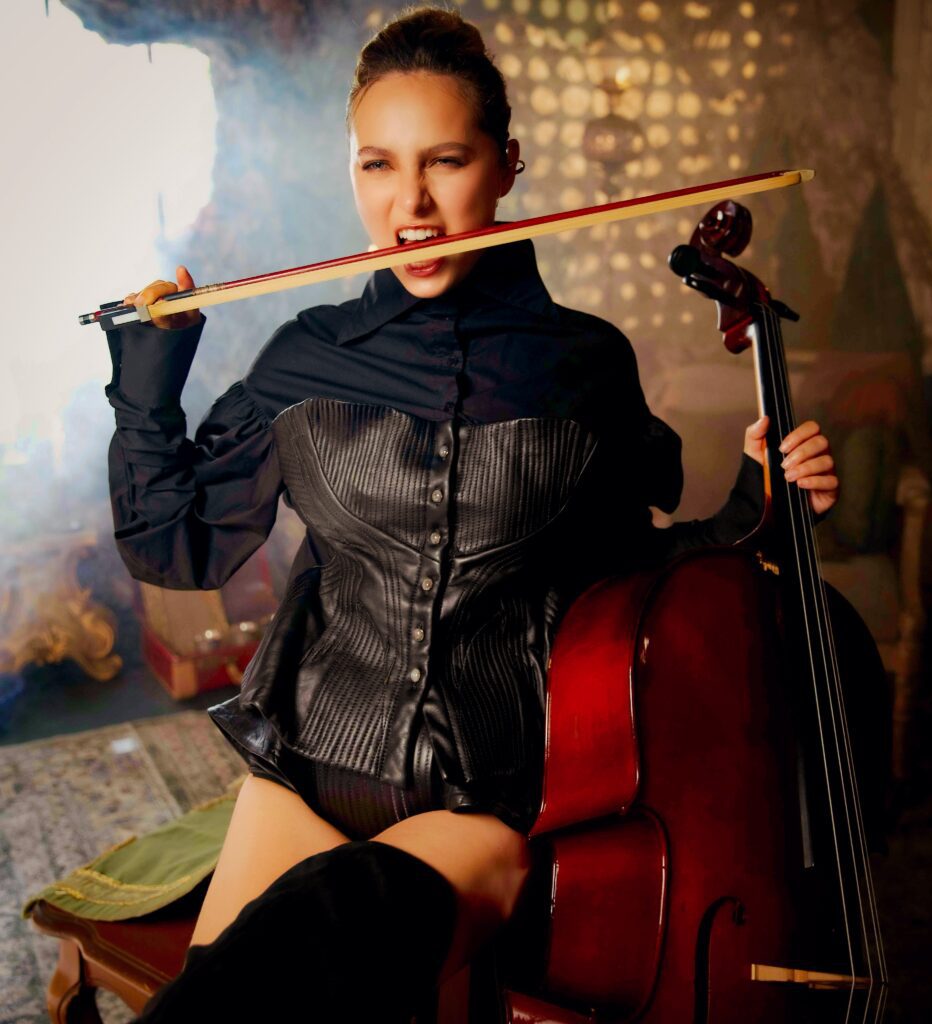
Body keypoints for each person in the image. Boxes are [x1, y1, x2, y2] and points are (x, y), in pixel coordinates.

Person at [104, 6, 839, 1020]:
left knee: (333, 936)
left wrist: (764, 501)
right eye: (377, 165)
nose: (408, 204)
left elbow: (629, 584)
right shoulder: (303, 358)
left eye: (444, 161)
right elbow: (175, 551)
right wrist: (148, 387)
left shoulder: (581, 366)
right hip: (307, 775)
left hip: (483, 802)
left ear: (505, 166)